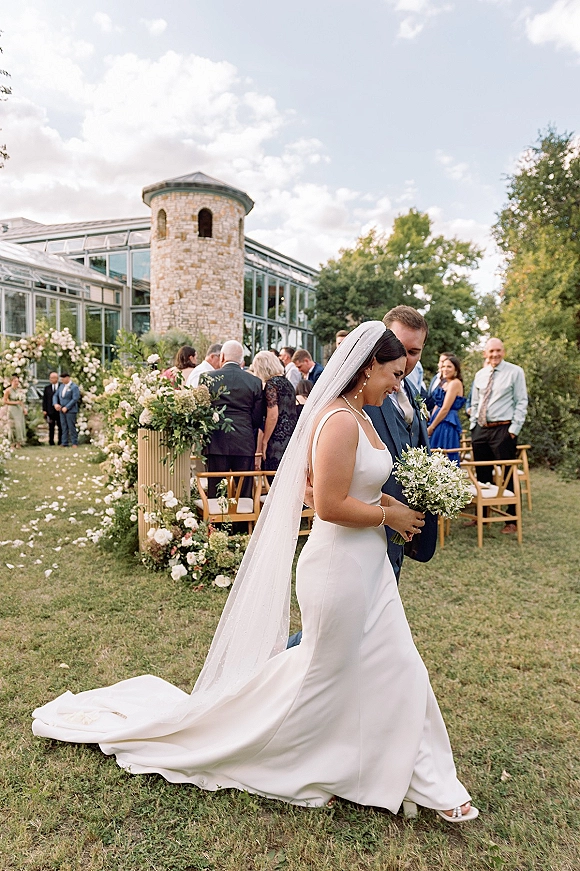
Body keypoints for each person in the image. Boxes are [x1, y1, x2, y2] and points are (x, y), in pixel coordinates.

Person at [32, 321, 477, 824]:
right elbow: (327, 505)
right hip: (340, 571)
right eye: (393, 373)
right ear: (368, 365)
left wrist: (402, 502)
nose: (398, 382)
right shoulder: (337, 420)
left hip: (369, 567)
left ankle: (429, 781)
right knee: (322, 675)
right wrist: (388, 516)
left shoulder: (361, 413)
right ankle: (294, 757)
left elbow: (329, 488)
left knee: (396, 665)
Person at [365, 306, 438, 580]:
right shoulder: (357, 393)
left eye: (414, 352)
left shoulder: (414, 392)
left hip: (402, 525)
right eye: (399, 347)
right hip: (368, 522)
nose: (405, 359)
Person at [468, 338, 528, 534]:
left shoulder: (515, 372)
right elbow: (475, 402)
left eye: (498, 351)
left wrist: (514, 430)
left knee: (507, 473)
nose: (495, 354)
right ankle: (483, 516)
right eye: (491, 351)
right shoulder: (480, 374)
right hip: (481, 429)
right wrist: (473, 426)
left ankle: (511, 520)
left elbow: (521, 401)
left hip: (504, 430)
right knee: (482, 475)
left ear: (503, 351)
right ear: (485, 353)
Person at [202, 340, 264, 497]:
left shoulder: (207, 378)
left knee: (216, 489)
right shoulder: (255, 382)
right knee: (244, 490)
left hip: (215, 440)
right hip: (244, 440)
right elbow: (257, 418)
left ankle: (216, 521)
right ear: (242, 361)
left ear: (222, 356)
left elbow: (202, 411)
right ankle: (243, 521)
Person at [251, 351, 297, 472]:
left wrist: (264, 441)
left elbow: (272, 415)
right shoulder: (288, 384)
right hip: (292, 436)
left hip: (277, 439)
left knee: (273, 478)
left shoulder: (271, 385)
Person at [427, 355, 466, 464]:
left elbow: (445, 408)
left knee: (444, 453)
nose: (445, 369)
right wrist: (430, 422)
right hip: (437, 420)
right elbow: (437, 405)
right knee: (433, 455)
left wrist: (432, 427)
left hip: (446, 422)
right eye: (443, 366)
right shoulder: (444, 383)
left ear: (456, 370)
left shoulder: (455, 383)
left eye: (449, 366)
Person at [53, 373, 81, 448]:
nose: (61, 380)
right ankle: (64, 442)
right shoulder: (61, 386)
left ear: (67, 378)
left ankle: (74, 442)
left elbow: (75, 398)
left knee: (71, 426)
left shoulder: (74, 387)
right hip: (61, 409)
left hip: (71, 410)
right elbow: (55, 395)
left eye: (63, 378)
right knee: (63, 426)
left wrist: (67, 407)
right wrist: (56, 404)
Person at [3, 376, 27, 447]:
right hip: (12, 410)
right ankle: (12, 443)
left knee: (19, 426)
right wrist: (15, 403)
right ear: (11, 382)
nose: (17, 383)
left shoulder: (19, 390)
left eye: (17, 381)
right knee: (13, 426)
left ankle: (19, 443)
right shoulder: (8, 390)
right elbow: (5, 401)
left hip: (19, 410)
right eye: (15, 381)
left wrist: (24, 409)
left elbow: (21, 401)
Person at [42, 371, 62, 446]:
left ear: (57, 378)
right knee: (51, 426)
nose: (51, 379)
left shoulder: (61, 387)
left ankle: (60, 441)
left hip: (59, 410)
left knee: (60, 426)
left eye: (53, 378)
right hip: (50, 410)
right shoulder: (47, 388)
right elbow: (45, 400)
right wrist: (44, 409)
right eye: (50, 378)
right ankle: (51, 441)